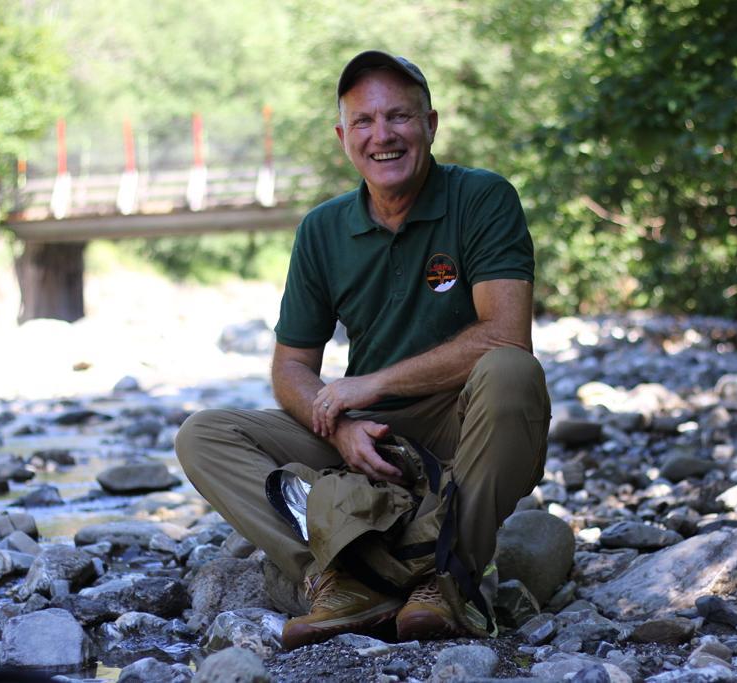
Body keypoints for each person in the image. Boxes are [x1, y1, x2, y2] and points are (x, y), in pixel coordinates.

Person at [175, 50, 550, 650]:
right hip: (369, 439)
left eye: (399, 117)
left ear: (430, 123)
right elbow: (292, 366)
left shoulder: (482, 198)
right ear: (342, 137)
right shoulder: (322, 229)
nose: (383, 136)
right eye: (364, 122)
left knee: (511, 370)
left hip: (465, 425)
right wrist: (342, 427)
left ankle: (451, 577)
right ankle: (339, 580)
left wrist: (367, 386)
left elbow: (506, 334)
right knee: (203, 434)